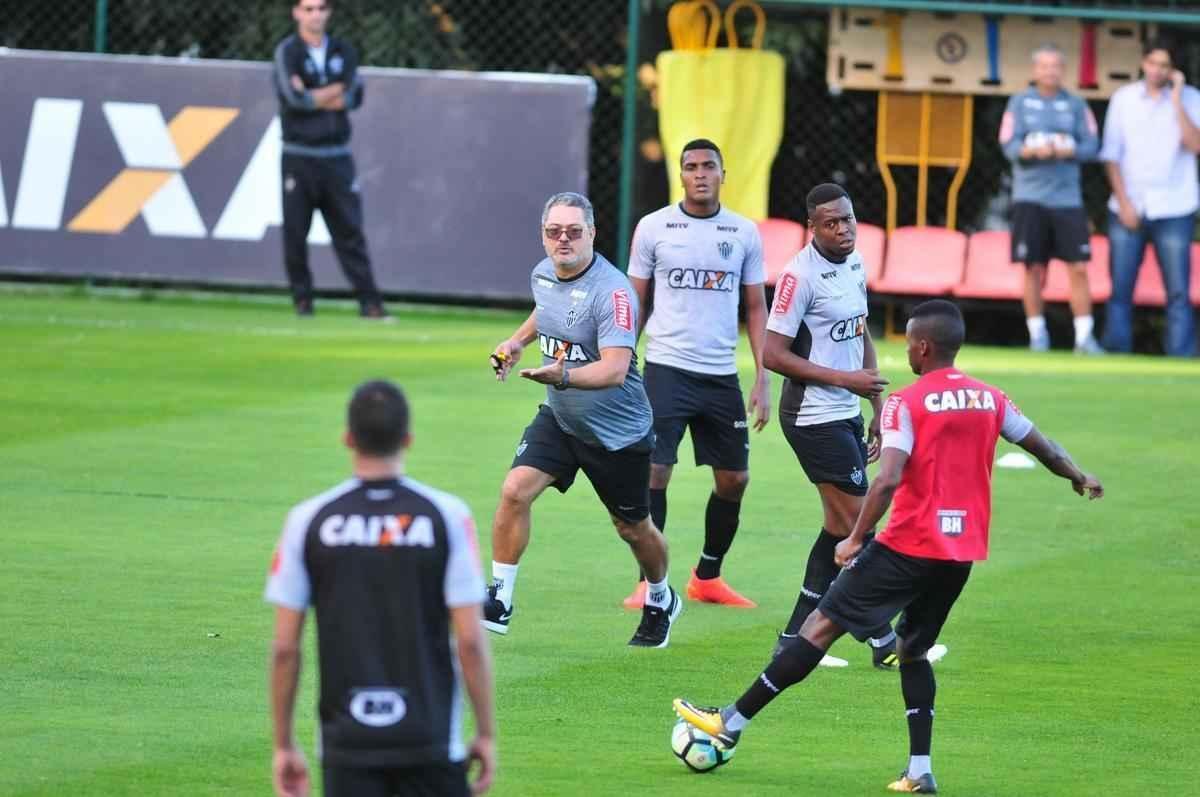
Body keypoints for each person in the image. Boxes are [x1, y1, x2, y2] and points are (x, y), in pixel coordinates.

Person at [675, 299, 1104, 794]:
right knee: (914, 649)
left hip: (907, 545)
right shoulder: (991, 398)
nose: (906, 351)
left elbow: (887, 480)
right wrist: (1077, 475)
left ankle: (730, 721)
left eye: (908, 342)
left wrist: (855, 538)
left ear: (923, 346)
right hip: (959, 554)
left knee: (818, 628)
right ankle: (920, 770)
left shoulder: (907, 401)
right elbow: (1042, 447)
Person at [265, 380, 496, 797]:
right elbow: (470, 640)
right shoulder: (446, 516)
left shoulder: (308, 521)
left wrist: (283, 745)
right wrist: (485, 733)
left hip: (347, 743)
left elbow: (284, 649)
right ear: (407, 439)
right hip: (429, 738)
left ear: (348, 439)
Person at [483, 192, 681, 648]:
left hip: (618, 432)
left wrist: (563, 374)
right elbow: (546, 308)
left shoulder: (613, 294)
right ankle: (500, 599)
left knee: (633, 528)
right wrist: (515, 343)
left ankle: (660, 597)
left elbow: (614, 369)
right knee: (514, 491)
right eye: (554, 232)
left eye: (574, 231)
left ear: (592, 233)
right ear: (543, 235)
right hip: (561, 418)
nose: (563, 240)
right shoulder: (542, 272)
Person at [620, 138, 770, 611]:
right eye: (691, 166)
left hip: (720, 373)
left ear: (724, 174)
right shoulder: (654, 227)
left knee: (735, 479)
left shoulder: (743, 232)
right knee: (655, 470)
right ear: (680, 174)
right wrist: (621, 358)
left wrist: (763, 375)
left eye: (709, 166)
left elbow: (755, 306)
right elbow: (633, 300)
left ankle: (707, 576)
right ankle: (650, 582)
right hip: (666, 367)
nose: (700, 173)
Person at [764, 183, 902, 669]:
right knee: (860, 527)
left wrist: (876, 402)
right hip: (810, 417)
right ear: (812, 227)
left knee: (836, 529)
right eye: (831, 223)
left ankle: (794, 637)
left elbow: (859, 329)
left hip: (844, 410)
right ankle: (885, 639)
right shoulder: (798, 277)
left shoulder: (857, 263)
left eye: (848, 219)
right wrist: (846, 379)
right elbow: (772, 354)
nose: (843, 229)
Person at [273, 0, 388, 318]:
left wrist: (314, 94)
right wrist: (333, 91)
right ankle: (303, 300)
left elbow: (354, 96)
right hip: (299, 156)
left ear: (329, 13)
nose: (315, 14)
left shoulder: (343, 51)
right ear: (297, 12)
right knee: (296, 232)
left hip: (337, 157)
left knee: (349, 231)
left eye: (321, 8)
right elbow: (294, 99)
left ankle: (370, 302)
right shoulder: (288, 52)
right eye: (308, 9)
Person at [999, 44, 1103, 354]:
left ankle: (1084, 338)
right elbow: (1007, 144)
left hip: (1067, 199)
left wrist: (1069, 150)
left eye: (1055, 66)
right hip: (1029, 197)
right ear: (1035, 70)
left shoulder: (1076, 104)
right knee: (1032, 268)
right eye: (1044, 66)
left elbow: (1092, 145)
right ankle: (1037, 336)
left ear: (1063, 70)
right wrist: (1030, 151)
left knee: (1080, 267)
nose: (1050, 72)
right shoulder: (1018, 103)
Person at [1100, 36, 1199, 357]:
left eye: (1165, 65)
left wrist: (1176, 101)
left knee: (1179, 292)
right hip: (1128, 206)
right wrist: (1125, 203)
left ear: (1174, 70)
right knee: (1121, 289)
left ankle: (1181, 357)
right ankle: (1117, 353)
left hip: (1175, 206)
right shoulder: (1124, 99)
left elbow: (1195, 145)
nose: (1157, 70)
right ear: (1143, 63)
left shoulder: (1192, 99)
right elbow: (1111, 155)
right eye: (1153, 63)